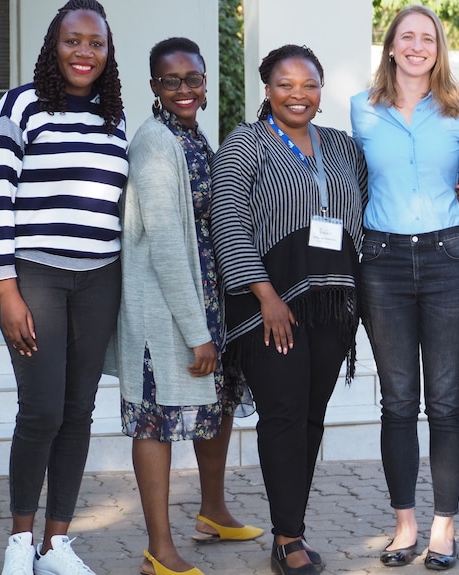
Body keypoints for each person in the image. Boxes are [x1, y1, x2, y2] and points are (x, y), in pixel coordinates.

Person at [0, 2, 127, 574]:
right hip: (35, 277)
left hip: (98, 279)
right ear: (53, 44)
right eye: (73, 41)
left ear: (107, 52)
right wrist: (6, 286)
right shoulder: (21, 105)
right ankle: (20, 540)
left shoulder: (112, 115)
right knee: (40, 410)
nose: (84, 52)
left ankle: (55, 545)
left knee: (77, 411)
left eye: (96, 43)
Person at [210, 44, 367, 575]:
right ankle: (287, 538)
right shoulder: (245, 144)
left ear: (321, 92)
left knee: (310, 418)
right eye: (286, 84)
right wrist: (266, 295)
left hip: (331, 308)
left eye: (309, 85)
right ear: (267, 89)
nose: (298, 94)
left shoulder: (343, 147)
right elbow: (227, 222)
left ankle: (291, 525)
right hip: (269, 309)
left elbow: (365, 211)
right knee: (281, 416)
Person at [115, 37, 262, 575]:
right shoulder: (156, 143)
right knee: (155, 421)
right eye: (171, 80)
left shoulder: (196, 137)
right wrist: (195, 329)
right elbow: (167, 245)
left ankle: (214, 511)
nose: (185, 89)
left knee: (216, 405)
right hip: (168, 310)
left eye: (193, 79)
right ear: (154, 86)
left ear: (205, 82)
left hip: (210, 299)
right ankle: (160, 547)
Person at [349, 5, 459, 570]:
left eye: (428, 37)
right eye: (408, 37)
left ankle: (443, 528)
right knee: (398, 403)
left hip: (450, 256)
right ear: (392, 47)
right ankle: (404, 526)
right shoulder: (361, 110)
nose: (418, 46)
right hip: (384, 260)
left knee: (445, 402)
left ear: (437, 48)